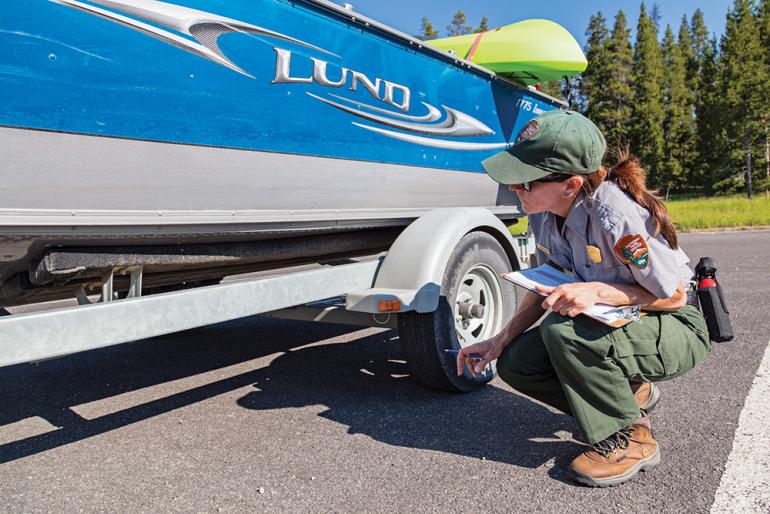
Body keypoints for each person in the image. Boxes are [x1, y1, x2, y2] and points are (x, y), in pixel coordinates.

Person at [456, 109, 711, 487]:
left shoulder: (616, 216)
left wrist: (598, 291)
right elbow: (546, 284)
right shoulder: (543, 212)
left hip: (676, 325)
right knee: (517, 363)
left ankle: (630, 437)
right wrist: (500, 339)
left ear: (571, 185)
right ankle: (630, 394)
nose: (514, 188)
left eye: (525, 182)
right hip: (619, 325)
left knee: (564, 332)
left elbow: (673, 295)